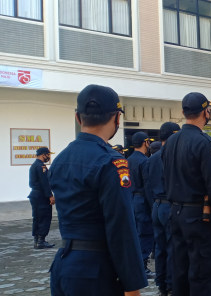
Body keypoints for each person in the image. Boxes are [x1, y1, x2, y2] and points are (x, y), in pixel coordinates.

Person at [49, 84, 147, 296]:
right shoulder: (111, 162)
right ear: (117, 119)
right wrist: (132, 285)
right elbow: (121, 227)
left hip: (64, 266)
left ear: (78, 117)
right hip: (96, 271)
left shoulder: (61, 159)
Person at [163, 92, 211, 295]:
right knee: (203, 273)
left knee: (180, 271)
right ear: (205, 112)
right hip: (198, 218)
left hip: (176, 213)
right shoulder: (203, 142)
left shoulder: (171, 142)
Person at [145, 122, 180, 296]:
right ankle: (171, 284)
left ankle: (161, 284)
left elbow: (147, 186)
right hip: (169, 205)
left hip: (156, 205)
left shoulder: (151, 159)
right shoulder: (173, 156)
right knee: (172, 247)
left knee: (159, 248)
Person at [128, 131, 155, 279]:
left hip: (132, 199)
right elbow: (147, 186)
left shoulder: (128, 159)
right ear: (146, 143)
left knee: (136, 233)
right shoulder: (144, 161)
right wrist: (152, 206)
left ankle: (136, 264)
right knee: (145, 233)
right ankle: (142, 267)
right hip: (142, 200)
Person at [28, 147, 56, 249]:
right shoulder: (41, 166)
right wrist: (50, 196)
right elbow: (45, 183)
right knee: (44, 217)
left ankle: (37, 241)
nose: (49, 157)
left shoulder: (34, 165)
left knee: (37, 217)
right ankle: (41, 241)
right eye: (48, 154)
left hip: (35, 195)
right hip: (41, 196)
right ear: (43, 154)